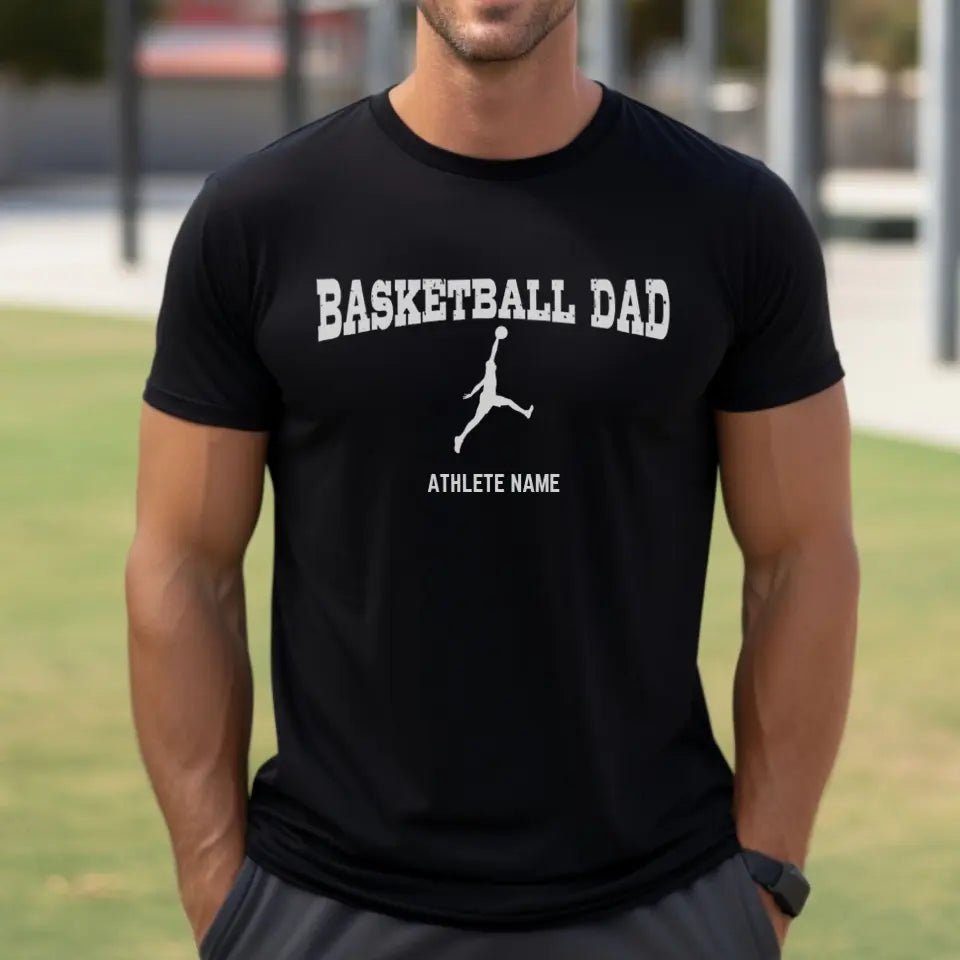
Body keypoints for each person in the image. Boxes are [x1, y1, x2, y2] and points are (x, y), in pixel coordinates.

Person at [125, 0, 859, 957]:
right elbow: (182, 562)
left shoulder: (731, 220)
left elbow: (803, 558)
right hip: (326, 905)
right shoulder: (260, 220)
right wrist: (222, 897)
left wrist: (763, 885)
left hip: (656, 903)